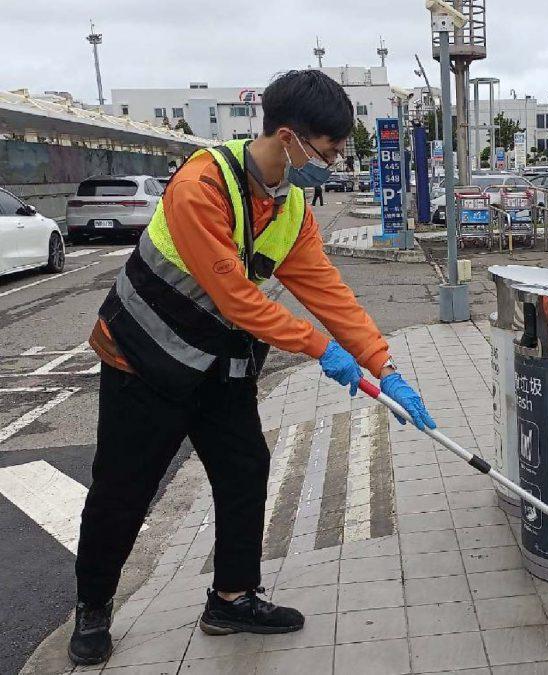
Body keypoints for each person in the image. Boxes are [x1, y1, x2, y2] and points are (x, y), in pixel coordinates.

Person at [68, 70, 436, 666]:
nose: (334, 161)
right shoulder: (201, 185)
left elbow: (328, 291)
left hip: (218, 365)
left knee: (246, 470)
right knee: (123, 488)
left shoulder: (290, 208)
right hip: (141, 358)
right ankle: (92, 608)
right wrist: (321, 350)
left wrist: (383, 365)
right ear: (289, 137)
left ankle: (232, 597)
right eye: (329, 149)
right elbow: (237, 295)